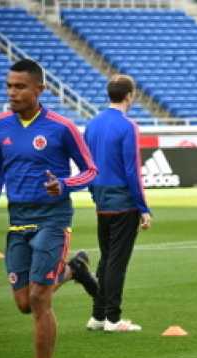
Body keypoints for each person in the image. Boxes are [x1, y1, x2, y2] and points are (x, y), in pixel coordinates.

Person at [0, 59, 99, 358]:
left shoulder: (61, 128)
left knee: (38, 298)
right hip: (18, 220)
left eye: (20, 86)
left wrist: (63, 185)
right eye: (9, 86)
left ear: (39, 89)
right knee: (22, 303)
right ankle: (74, 269)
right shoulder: (0, 124)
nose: (12, 92)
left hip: (53, 218)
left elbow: (90, 170)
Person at [84, 74, 151, 332]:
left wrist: (94, 195)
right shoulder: (128, 126)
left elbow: (87, 166)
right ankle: (113, 319)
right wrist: (143, 207)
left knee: (106, 258)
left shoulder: (92, 125)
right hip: (123, 202)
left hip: (102, 200)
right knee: (117, 262)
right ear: (129, 95)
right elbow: (132, 170)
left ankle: (98, 316)